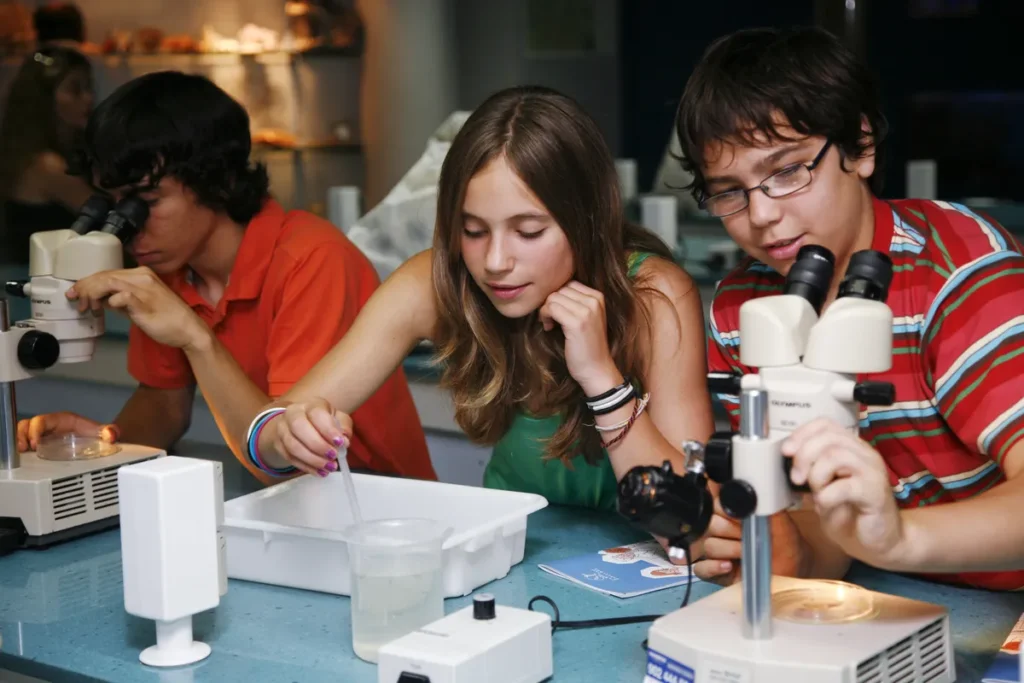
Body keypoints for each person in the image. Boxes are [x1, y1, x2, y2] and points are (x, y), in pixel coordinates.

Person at [243, 85, 715, 510]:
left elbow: (687, 516)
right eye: (472, 230)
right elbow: (268, 429)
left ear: (587, 221)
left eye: (527, 232)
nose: (494, 261)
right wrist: (285, 435)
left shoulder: (655, 296)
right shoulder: (437, 280)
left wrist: (602, 380)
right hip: (513, 557)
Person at [680, 26, 1024, 590]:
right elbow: (822, 544)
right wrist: (751, 541)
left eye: (787, 171)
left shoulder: (960, 271)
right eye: (730, 191)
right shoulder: (746, 309)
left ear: (860, 147)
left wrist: (898, 539)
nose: (761, 215)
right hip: (891, 598)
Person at [15, 71, 437, 486]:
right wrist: (103, 443)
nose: (129, 226)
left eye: (146, 201)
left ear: (216, 179)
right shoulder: (169, 270)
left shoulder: (311, 259)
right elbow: (164, 404)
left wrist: (194, 336)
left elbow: (286, 453)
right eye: (116, 204)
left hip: (372, 496)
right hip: (288, 507)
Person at [0, 45, 94, 263]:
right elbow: (109, 217)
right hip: (34, 284)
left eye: (89, 87)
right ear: (44, 99)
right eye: (75, 89)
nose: (88, 98)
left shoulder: (25, 152)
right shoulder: (47, 166)